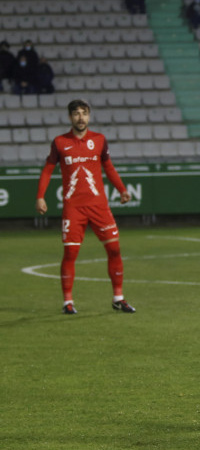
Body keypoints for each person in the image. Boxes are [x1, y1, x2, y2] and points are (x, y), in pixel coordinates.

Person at [36, 100, 135, 316]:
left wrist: (121, 189)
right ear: (70, 117)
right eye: (76, 114)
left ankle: (118, 298)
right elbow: (47, 170)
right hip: (74, 208)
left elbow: (108, 166)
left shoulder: (99, 140)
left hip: (99, 206)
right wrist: (40, 196)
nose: (81, 118)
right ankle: (68, 302)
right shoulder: (60, 142)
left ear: (89, 116)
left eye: (84, 113)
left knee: (114, 249)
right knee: (70, 253)